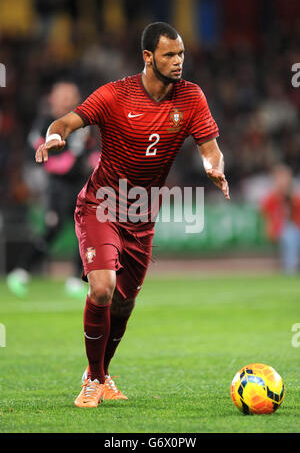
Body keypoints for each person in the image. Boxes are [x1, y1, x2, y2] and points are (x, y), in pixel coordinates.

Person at [35, 22, 230, 408]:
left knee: (124, 305)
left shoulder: (191, 98)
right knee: (102, 288)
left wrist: (214, 166)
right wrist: (55, 135)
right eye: (169, 55)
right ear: (147, 57)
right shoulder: (114, 95)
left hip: (142, 215)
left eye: (181, 55)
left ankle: (100, 375)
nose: (178, 62)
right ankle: (92, 381)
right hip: (101, 204)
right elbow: (68, 121)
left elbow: (211, 147)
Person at [7, 82, 92, 298]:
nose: (68, 99)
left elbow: (88, 152)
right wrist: (59, 163)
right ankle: (21, 270)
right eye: (63, 95)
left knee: (85, 230)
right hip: (55, 184)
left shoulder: (81, 124)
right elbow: (35, 150)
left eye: (72, 95)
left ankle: (76, 278)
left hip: (79, 184)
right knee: (52, 228)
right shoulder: (44, 123)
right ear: (52, 98)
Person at [261, 164, 300, 274]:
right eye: (280, 178)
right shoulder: (272, 197)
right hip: (280, 231)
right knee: (290, 236)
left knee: (292, 234)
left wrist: (290, 197)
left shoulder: (294, 195)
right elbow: (267, 218)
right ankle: (290, 269)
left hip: (297, 229)